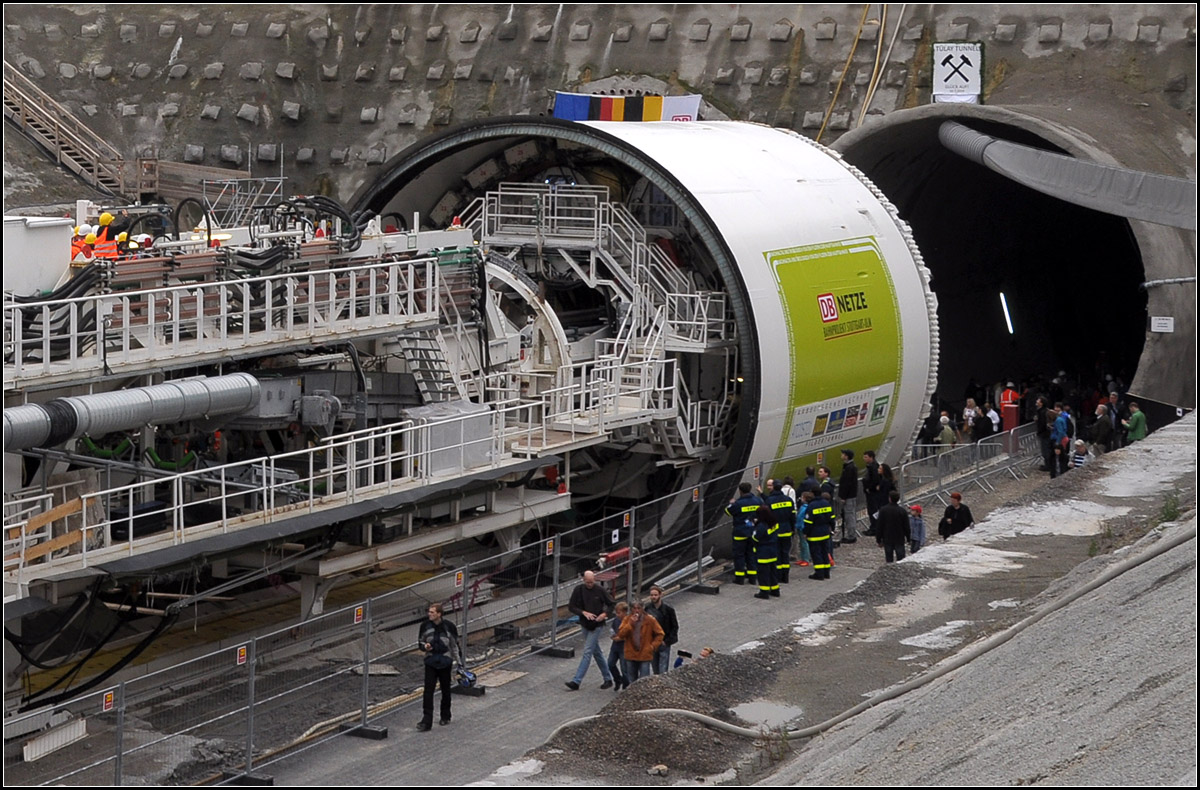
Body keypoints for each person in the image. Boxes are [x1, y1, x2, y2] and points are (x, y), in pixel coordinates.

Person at [416, 602, 464, 731]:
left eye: (432, 612)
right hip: (431, 661)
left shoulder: (449, 627)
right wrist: (424, 646)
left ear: (439, 614)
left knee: (445, 690)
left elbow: (454, 646)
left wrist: (459, 664)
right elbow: (420, 642)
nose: (429, 614)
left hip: (445, 662)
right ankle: (426, 721)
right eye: (429, 612)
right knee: (428, 692)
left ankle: (445, 715)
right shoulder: (424, 626)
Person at [565, 570, 615, 690]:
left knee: (587, 651)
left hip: (597, 624)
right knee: (596, 652)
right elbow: (571, 606)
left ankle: (576, 681)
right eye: (587, 583)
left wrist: (604, 614)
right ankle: (608, 678)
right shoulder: (578, 590)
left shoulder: (600, 590)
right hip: (585, 624)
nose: (590, 585)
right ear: (583, 580)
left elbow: (612, 603)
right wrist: (583, 612)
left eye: (592, 582)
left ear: (595, 580)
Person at [616, 600, 664, 684]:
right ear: (631, 609)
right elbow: (621, 634)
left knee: (644, 681)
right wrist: (630, 624)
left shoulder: (650, 619)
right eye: (634, 608)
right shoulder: (627, 619)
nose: (636, 611)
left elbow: (660, 634)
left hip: (645, 654)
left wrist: (652, 646)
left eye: (639, 608)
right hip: (631, 654)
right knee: (632, 680)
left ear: (642, 608)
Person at [725, 482, 762, 585]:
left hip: (740, 533)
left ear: (740, 491)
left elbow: (727, 511)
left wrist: (731, 503)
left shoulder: (738, 503)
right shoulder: (757, 501)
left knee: (739, 555)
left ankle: (740, 578)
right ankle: (752, 578)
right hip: (753, 532)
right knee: (751, 554)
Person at [764, 479, 796, 584]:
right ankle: (785, 576)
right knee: (785, 553)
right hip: (787, 529)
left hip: (775, 531)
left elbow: (767, 518)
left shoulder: (769, 501)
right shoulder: (788, 500)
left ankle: (777, 576)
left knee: (776, 553)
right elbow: (792, 516)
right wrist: (792, 529)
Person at [645, 584, 679, 674]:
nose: (653, 597)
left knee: (663, 669)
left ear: (660, 595)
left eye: (655, 595)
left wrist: (667, 641)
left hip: (664, 641)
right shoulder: (647, 608)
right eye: (652, 595)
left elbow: (674, 626)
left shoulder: (669, 609)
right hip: (653, 642)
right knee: (655, 667)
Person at [803, 491, 836, 580]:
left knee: (816, 554)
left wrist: (805, 533)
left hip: (814, 534)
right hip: (825, 533)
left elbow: (808, 522)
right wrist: (832, 529)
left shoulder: (811, 506)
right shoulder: (826, 503)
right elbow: (832, 519)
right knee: (825, 552)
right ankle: (826, 572)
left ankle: (819, 573)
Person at [875, 490, 911, 563]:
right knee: (901, 559)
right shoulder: (902, 511)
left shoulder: (883, 510)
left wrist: (878, 539)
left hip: (887, 537)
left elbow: (879, 526)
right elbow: (906, 526)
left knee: (889, 559)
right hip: (899, 537)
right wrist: (908, 538)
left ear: (889, 498)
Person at [607, 601, 630, 691]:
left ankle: (626, 683)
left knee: (624, 667)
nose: (617, 615)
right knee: (610, 664)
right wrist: (613, 635)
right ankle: (618, 679)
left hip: (624, 647)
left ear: (624, 612)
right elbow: (612, 629)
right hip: (615, 646)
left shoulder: (629, 621)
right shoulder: (616, 620)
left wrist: (620, 638)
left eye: (619, 613)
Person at [837, 449, 859, 544]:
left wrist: (843, 496)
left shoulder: (849, 468)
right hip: (850, 495)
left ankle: (851, 536)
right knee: (850, 514)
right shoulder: (850, 467)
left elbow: (847, 483)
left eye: (843, 454)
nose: (841, 456)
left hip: (848, 496)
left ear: (846, 456)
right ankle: (851, 534)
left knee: (849, 515)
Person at [861, 450, 882, 537]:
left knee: (873, 510)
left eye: (866, 457)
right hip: (871, 492)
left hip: (872, 493)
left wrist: (869, 488)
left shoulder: (873, 467)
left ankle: (874, 528)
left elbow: (875, 480)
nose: (864, 459)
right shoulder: (872, 467)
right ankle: (874, 527)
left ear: (871, 457)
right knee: (873, 510)